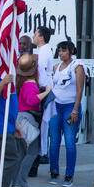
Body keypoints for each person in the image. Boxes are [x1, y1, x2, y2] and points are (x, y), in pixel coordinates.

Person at [9, 54, 51, 187]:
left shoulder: (22, 82)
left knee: (21, 154)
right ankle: (19, 184)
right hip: (28, 121)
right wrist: (46, 92)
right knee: (31, 153)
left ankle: (16, 184)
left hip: (21, 120)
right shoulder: (30, 84)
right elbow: (32, 100)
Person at [49, 41, 85, 187]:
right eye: (59, 51)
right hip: (56, 106)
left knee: (69, 142)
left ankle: (69, 174)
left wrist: (75, 110)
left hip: (70, 106)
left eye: (63, 51)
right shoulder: (56, 66)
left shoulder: (77, 67)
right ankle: (54, 171)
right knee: (54, 141)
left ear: (70, 51)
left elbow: (79, 90)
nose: (61, 53)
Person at [30, 27, 54, 176]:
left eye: (35, 34)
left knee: (39, 127)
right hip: (40, 89)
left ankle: (35, 163)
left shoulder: (44, 52)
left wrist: (41, 91)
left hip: (42, 90)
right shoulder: (41, 51)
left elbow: (42, 74)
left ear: (41, 37)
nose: (33, 36)